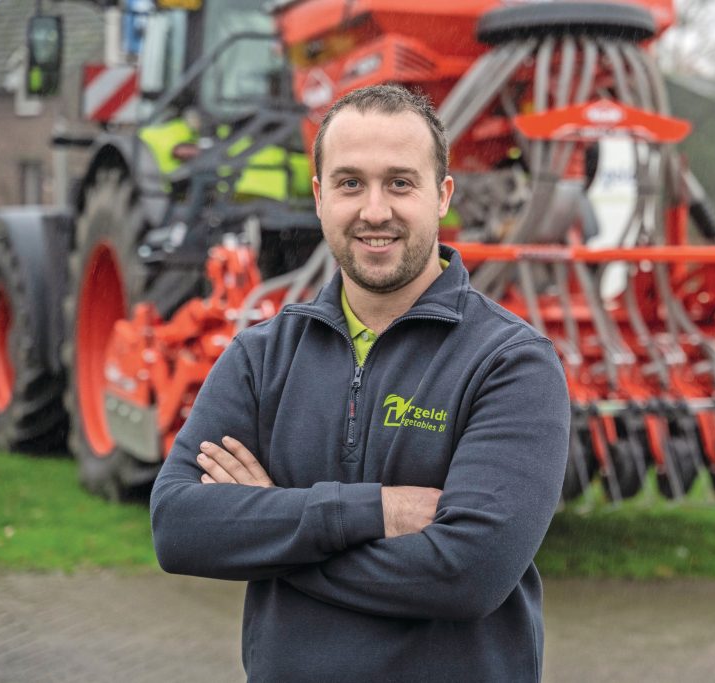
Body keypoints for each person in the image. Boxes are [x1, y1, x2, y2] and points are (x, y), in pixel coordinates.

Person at [150, 84, 570, 682]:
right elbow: (178, 528)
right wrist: (374, 510)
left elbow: (467, 575)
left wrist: (271, 532)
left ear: (442, 196)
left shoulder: (510, 362)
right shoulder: (261, 356)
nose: (376, 211)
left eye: (401, 183)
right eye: (351, 183)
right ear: (320, 197)